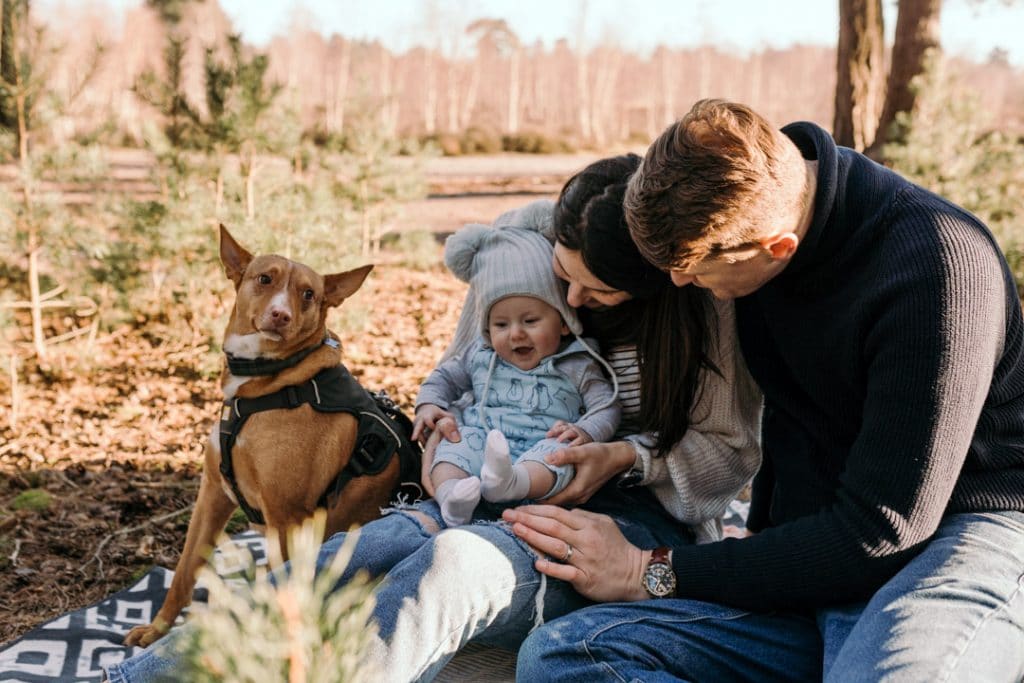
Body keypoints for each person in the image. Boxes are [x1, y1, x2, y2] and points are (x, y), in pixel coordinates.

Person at [104, 155, 762, 683]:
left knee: (450, 566)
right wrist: (438, 422)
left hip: (616, 518)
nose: (573, 301)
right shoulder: (517, 247)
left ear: (660, 281)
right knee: (340, 559)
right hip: (478, 488)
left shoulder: (702, 301)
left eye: (600, 293)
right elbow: (461, 374)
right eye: (564, 277)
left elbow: (728, 458)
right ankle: (137, 677)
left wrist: (626, 456)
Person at [512, 99, 1024, 682]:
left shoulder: (938, 270)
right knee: (567, 655)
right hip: (824, 550)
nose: (678, 283)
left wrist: (648, 569)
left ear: (777, 247)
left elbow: (883, 529)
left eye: (693, 271)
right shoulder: (753, 207)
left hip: (961, 532)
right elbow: (795, 419)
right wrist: (764, 537)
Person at [415, 224, 621, 527]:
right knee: (456, 440)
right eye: (500, 325)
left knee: (560, 454)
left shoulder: (577, 363)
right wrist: (429, 405)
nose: (516, 334)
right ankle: (452, 498)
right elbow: (443, 378)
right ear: (486, 329)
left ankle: (511, 483)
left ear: (565, 323)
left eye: (530, 320)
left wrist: (587, 431)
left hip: (541, 448)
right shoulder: (480, 356)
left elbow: (607, 404)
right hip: (483, 440)